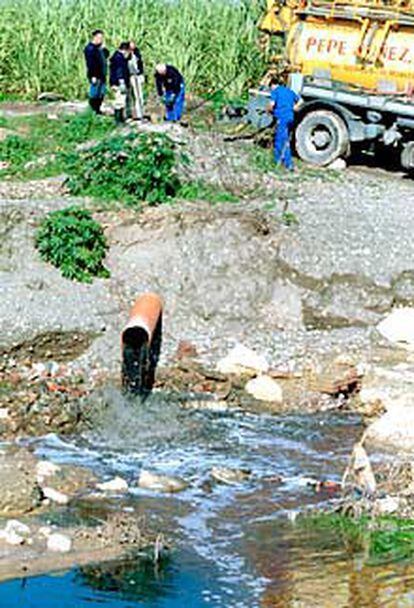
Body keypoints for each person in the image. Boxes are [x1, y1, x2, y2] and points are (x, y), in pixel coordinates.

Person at [269, 75, 301, 170]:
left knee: (280, 140)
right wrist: (294, 107)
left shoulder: (275, 91)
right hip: (290, 117)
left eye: (270, 86)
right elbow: (300, 101)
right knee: (285, 138)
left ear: (273, 84)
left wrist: (268, 111)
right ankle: (286, 162)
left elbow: (272, 104)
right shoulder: (290, 91)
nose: (270, 89)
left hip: (281, 117)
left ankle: (281, 162)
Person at [84, 29, 109, 114]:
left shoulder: (100, 48)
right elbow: (90, 64)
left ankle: (98, 109)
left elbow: (106, 55)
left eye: (102, 38)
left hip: (102, 74)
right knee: (94, 93)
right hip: (95, 74)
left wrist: (104, 48)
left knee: (101, 93)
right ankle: (92, 110)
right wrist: (93, 76)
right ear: (94, 37)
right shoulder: (90, 49)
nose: (101, 39)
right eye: (99, 38)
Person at [109, 42, 131, 125]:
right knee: (120, 100)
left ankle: (120, 118)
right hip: (119, 82)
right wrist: (122, 82)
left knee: (120, 100)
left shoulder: (116, 56)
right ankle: (118, 120)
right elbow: (119, 70)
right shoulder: (119, 58)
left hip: (115, 82)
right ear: (126, 50)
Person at [128, 41, 145, 120]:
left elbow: (140, 64)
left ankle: (140, 113)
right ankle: (129, 113)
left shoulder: (137, 54)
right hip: (129, 76)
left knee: (139, 95)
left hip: (137, 75)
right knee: (130, 96)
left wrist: (141, 74)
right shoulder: (126, 55)